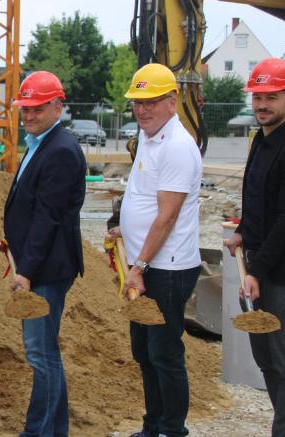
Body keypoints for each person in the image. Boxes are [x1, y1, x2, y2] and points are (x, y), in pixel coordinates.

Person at [224, 57, 285, 437]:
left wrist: (257, 272)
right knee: (264, 357)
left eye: (271, 97)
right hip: (261, 267)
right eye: (257, 97)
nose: (262, 104)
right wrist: (243, 232)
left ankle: (283, 432)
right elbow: (258, 201)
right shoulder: (261, 143)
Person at [108, 63, 203, 437]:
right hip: (146, 265)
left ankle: (173, 430)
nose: (142, 110)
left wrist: (139, 265)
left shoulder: (178, 146)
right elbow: (145, 200)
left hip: (167, 268)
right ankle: (154, 426)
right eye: (137, 103)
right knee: (145, 352)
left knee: (164, 353)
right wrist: (124, 229)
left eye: (151, 102)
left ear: (172, 100)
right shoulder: (150, 138)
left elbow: (167, 216)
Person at [3, 71, 86, 437]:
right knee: (44, 352)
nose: (29, 116)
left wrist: (27, 271)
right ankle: (52, 429)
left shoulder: (61, 151)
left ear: (57, 106)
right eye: (25, 110)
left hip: (46, 271)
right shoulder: (42, 143)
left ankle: (39, 432)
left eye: (37, 108)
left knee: (41, 354)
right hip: (40, 265)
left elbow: (47, 218)